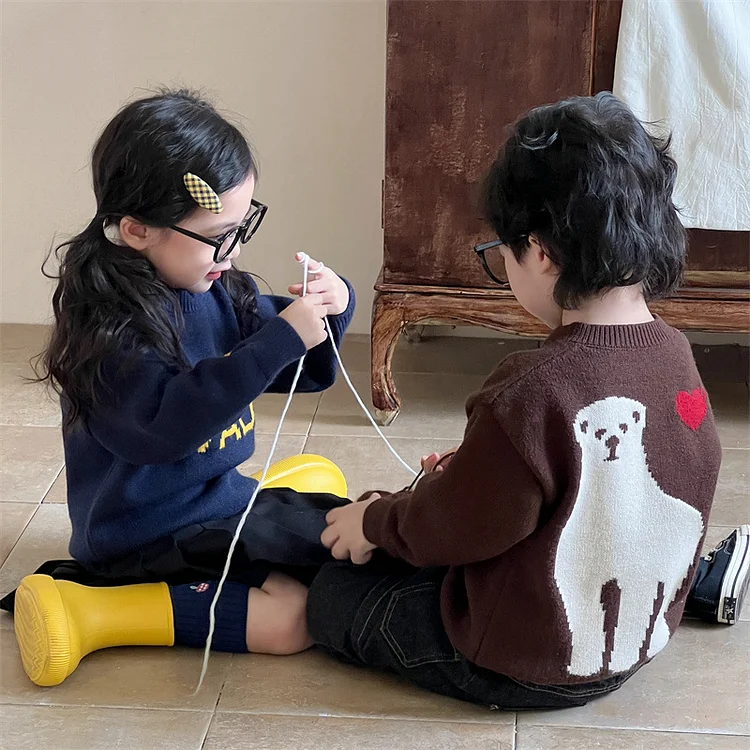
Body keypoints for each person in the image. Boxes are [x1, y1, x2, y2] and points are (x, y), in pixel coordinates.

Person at [311, 92, 749, 710]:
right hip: (636, 646)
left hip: (521, 662)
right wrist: (482, 470)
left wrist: (376, 521)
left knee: (332, 593)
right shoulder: (676, 356)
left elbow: (454, 528)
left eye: (502, 252)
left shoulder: (529, 389)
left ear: (540, 251)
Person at [4, 89, 355, 687]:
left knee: (332, 541)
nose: (233, 251)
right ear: (137, 230)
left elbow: (294, 365)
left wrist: (331, 304)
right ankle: (91, 611)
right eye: (219, 234)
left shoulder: (210, 281)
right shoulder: (108, 328)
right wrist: (278, 341)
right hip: (145, 531)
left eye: (242, 227)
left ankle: (259, 500)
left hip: (208, 499)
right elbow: (165, 428)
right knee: (292, 619)